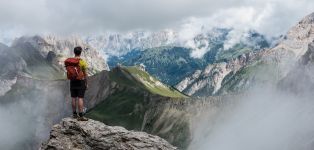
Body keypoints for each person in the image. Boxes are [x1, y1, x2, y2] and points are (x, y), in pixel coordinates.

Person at [65, 46, 88, 121]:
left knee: (73, 98)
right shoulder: (82, 62)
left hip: (72, 81)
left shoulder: (70, 61)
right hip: (80, 81)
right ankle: (81, 115)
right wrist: (86, 83)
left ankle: (74, 114)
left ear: (74, 52)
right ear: (80, 52)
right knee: (80, 98)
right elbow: (85, 74)